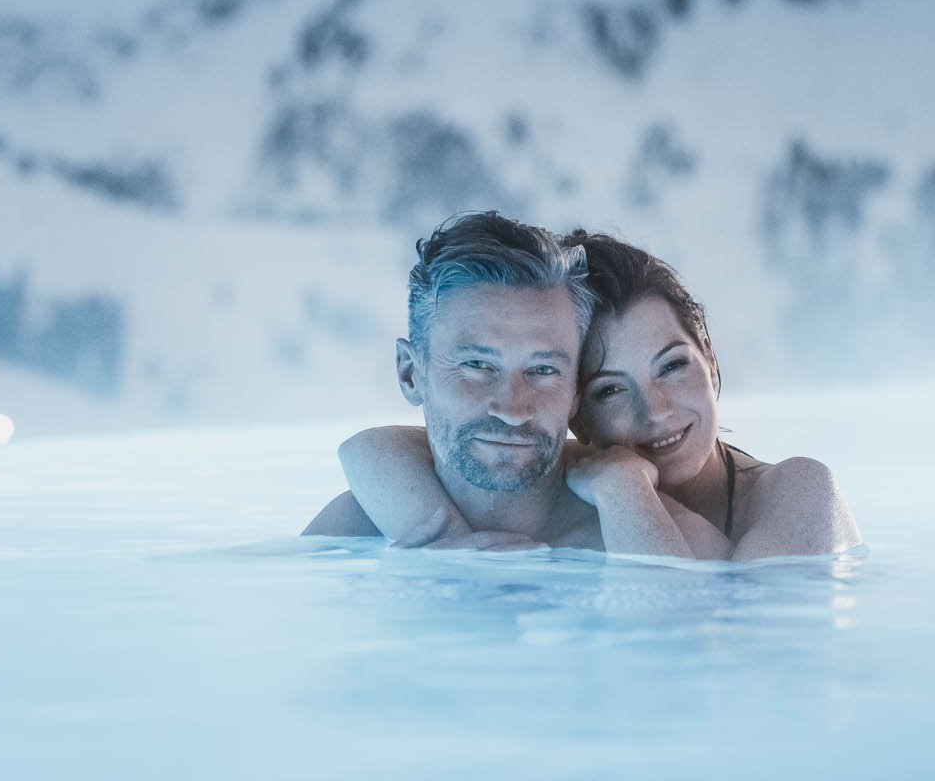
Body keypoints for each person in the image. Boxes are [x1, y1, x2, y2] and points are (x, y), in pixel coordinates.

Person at [328, 229, 861, 560]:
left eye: (673, 366)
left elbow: (744, 640)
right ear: (577, 412)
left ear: (713, 362)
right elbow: (384, 445)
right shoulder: (397, 497)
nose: (654, 411)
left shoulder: (795, 492)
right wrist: (438, 537)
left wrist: (625, 495)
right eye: (610, 389)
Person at [301, 212, 720, 553]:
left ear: (575, 390)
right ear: (410, 374)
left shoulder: (671, 542)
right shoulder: (350, 537)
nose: (513, 408)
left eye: (542, 371)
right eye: (478, 366)